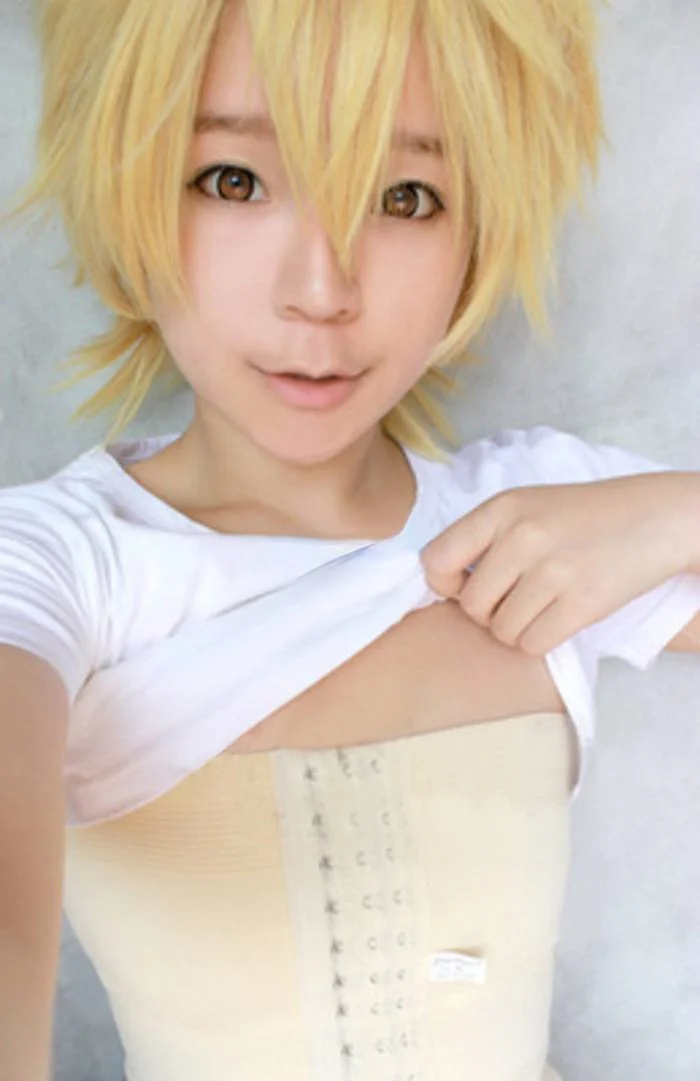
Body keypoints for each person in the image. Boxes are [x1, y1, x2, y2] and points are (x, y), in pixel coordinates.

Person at [1, 1, 699, 1079]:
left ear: (479, 228)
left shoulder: (545, 513)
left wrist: (678, 510)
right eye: (233, 179)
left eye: (404, 196)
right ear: (129, 185)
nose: (321, 292)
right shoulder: (56, 562)